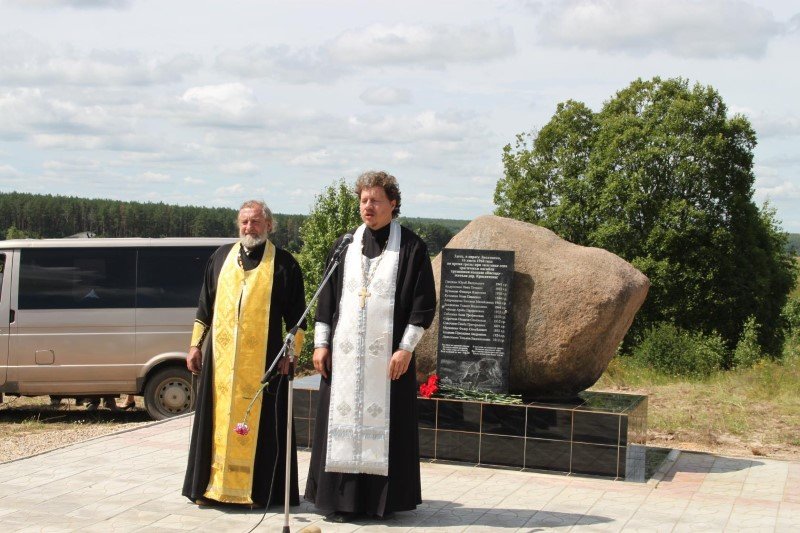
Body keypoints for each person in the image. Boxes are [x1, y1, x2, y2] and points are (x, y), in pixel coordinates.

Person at [304, 171, 436, 521]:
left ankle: (382, 503)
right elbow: (326, 298)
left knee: (388, 426)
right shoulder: (345, 244)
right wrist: (321, 344)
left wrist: (405, 348)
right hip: (344, 357)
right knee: (339, 423)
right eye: (363, 200)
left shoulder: (411, 247)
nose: (368, 206)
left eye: (375, 200)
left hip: (388, 359)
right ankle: (339, 500)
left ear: (393, 203)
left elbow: (424, 304)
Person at [182, 200, 306, 509]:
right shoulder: (221, 257)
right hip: (220, 362)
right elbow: (204, 306)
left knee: (264, 427)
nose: (248, 228)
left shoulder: (285, 264)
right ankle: (209, 488)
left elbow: (297, 319)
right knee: (214, 420)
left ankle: (261, 492)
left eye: (254, 222)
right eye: (244, 222)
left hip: (264, 363)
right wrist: (196, 345)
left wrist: (291, 355)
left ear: (268, 226)